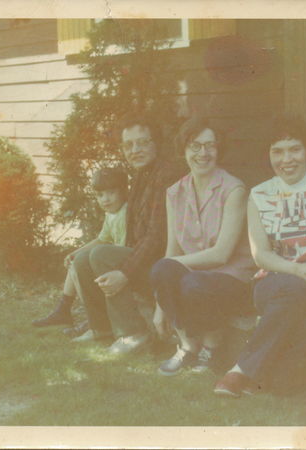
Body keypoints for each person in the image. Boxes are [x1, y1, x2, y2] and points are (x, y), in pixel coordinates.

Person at [214, 115, 306, 397]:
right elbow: (261, 256)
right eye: (277, 151)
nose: (287, 159)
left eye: (294, 149)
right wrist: (298, 271)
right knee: (295, 287)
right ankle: (240, 371)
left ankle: (273, 377)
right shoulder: (260, 195)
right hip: (277, 283)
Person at [149, 117, 256, 376]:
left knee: (190, 282)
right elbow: (172, 251)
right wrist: (159, 307)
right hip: (197, 277)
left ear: (219, 150)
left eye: (210, 146)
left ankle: (212, 350)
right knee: (163, 271)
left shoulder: (233, 190)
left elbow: (221, 255)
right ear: (184, 150)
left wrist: (173, 266)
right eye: (195, 146)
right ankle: (187, 347)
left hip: (233, 278)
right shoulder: (174, 193)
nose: (203, 153)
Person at [71, 113, 176, 354]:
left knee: (101, 255)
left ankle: (134, 334)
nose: (135, 150)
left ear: (156, 143)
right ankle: (102, 329)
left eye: (143, 142)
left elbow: (157, 236)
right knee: (82, 259)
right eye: (128, 145)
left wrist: (124, 272)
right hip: (146, 257)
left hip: (164, 264)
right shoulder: (140, 174)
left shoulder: (165, 175)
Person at [31, 167, 128, 330]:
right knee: (77, 260)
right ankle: (63, 310)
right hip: (112, 261)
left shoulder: (125, 213)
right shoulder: (111, 214)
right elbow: (102, 239)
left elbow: (123, 248)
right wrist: (76, 252)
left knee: (85, 267)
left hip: (122, 267)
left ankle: (91, 318)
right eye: (100, 195)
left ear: (123, 192)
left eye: (111, 193)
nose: (106, 199)